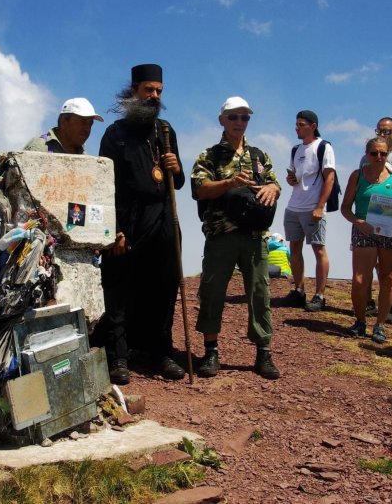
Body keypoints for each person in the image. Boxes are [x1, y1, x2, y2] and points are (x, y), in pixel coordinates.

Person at [95, 64, 186, 385]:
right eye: (149, 90)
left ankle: (161, 353)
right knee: (119, 289)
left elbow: (177, 184)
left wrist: (175, 167)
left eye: (159, 91)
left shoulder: (165, 130)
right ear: (134, 91)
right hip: (127, 222)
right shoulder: (115, 134)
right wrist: (114, 230)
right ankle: (118, 357)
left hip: (162, 221)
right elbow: (103, 186)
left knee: (163, 289)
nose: (154, 96)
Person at [191, 96, 282, 380]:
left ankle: (263, 352)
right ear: (222, 120)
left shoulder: (259, 155)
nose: (239, 123)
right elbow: (199, 189)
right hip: (222, 234)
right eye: (233, 117)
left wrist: (273, 190)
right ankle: (211, 351)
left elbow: (274, 181)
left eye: (244, 118)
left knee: (259, 292)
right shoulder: (209, 156)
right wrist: (229, 183)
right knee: (213, 291)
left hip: (255, 235)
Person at [340, 137, 392, 344]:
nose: (379, 157)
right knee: (360, 279)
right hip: (364, 229)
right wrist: (357, 222)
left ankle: (380, 325)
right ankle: (360, 320)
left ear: (388, 153)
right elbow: (345, 207)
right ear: (367, 154)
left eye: (383, 153)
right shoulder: (357, 176)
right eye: (374, 153)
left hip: (389, 230)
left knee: (388, 278)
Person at [283, 110, 336, 312]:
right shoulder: (296, 149)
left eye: (301, 124)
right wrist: (291, 179)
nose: (297, 127)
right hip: (294, 205)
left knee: (318, 248)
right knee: (294, 248)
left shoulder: (324, 147)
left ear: (312, 126)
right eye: (296, 123)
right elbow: (293, 175)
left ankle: (319, 296)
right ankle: (299, 290)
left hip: (312, 206)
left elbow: (329, 178)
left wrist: (320, 206)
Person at [359, 117, 392, 320]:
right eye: (380, 131)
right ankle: (369, 302)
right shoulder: (366, 158)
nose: (383, 135)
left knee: (390, 264)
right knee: (369, 262)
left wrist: (383, 163)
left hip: (391, 214)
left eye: (387, 131)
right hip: (368, 215)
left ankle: (390, 306)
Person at [23, 97, 103, 154]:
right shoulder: (40, 147)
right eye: (82, 122)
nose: (87, 128)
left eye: (90, 124)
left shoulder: (85, 158)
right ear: (64, 121)